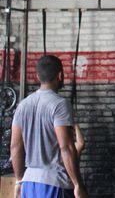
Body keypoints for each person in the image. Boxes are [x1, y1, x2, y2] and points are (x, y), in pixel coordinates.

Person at [10, 55, 88, 198]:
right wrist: (77, 185)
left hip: (29, 182)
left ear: (38, 76)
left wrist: (19, 180)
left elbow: (15, 146)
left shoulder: (23, 105)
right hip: (54, 183)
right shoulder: (60, 104)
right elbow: (66, 147)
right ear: (60, 75)